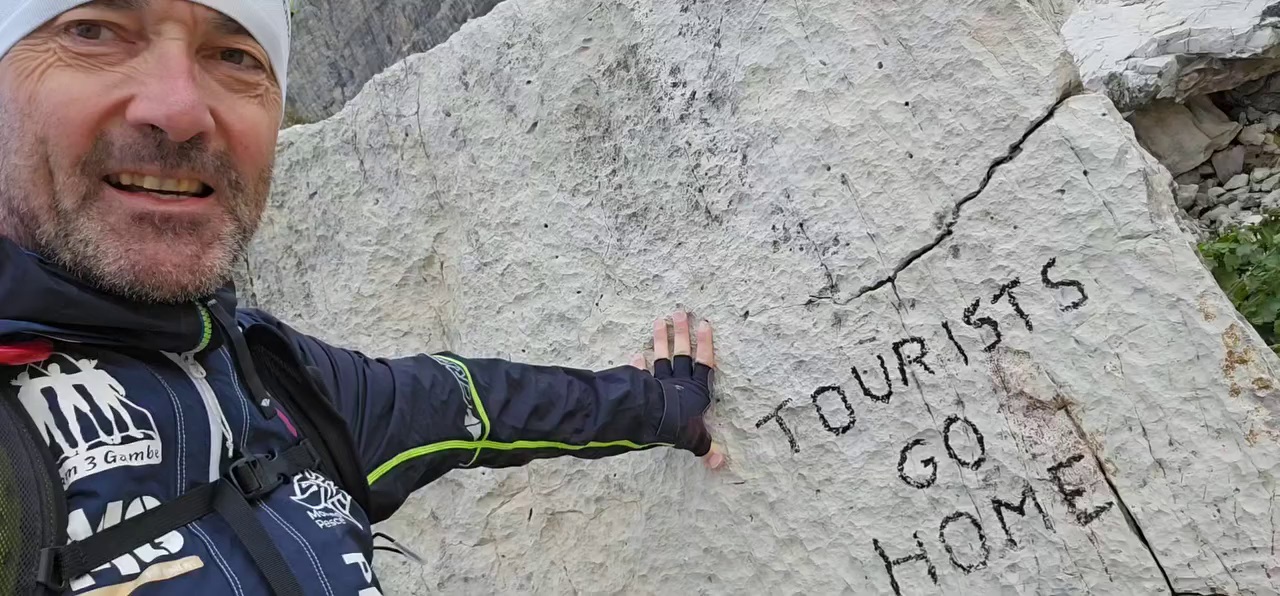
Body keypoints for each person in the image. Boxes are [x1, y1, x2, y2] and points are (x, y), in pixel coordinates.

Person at [0, 0, 723, 593]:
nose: (180, 108)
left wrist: (666, 408)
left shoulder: (268, 377)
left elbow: (475, 402)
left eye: (236, 56)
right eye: (91, 31)